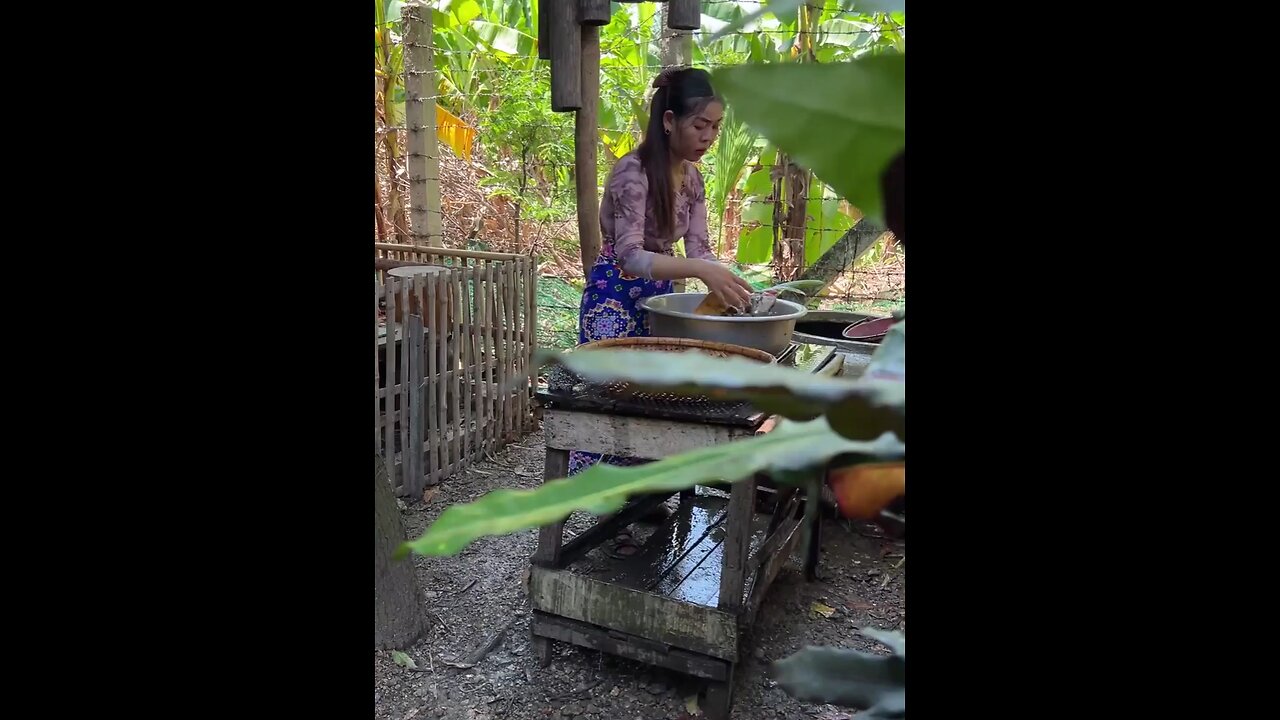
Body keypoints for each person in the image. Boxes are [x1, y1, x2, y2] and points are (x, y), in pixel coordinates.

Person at [570, 67, 754, 555]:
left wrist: (727, 279)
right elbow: (629, 255)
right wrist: (699, 269)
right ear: (669, 121)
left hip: (660, 295)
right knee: (610, 398)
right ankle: (606, 515)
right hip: (615, 294)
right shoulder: (631, 173)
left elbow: (701, 248)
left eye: (715, 127)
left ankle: (639, 494)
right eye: (701, 126)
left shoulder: (692, 181)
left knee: (653, 396)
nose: (709, 137)